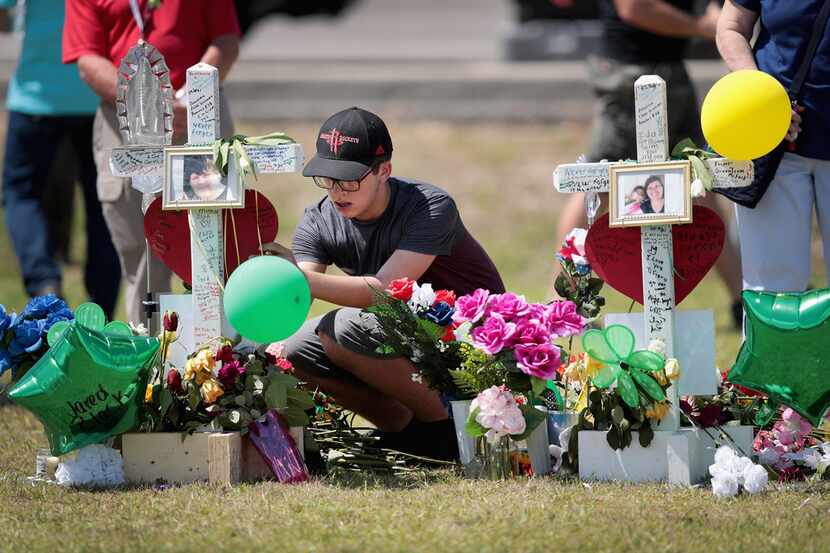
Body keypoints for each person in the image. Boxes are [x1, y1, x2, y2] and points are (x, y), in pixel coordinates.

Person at [276, 107, 505, 460]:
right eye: (328, 179)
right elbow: (298, 295)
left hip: (471, 340)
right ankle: (403, 429)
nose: (337, 192)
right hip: (404, 338)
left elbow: (383, 290)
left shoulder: (430, 206)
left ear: (384, 171)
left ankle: (444, 430)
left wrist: (295, 278)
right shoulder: (319, 219)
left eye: (350, 180)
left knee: (342, 327)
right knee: (295, 348)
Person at [554, 0, 745, 327]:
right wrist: (700, 25)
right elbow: (635, 7)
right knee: (599, 186)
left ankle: (742, 300)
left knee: (699, 181)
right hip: (631, 74)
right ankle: (563, 303)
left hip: (666, 70)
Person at [62, 0, 241, 326]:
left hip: (196, 116)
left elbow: (225, 40)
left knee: (215, 248)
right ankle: (151, 358)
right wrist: (146, 103)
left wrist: (190, 98)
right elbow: (88, 59)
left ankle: (221, 360)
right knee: (143, 258)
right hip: (125, 123)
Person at [1, 0, 120, 317]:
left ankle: (44, 284)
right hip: (98, 91)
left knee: (20, 195)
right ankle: (102, 309)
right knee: (105, 204)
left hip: (37, 96)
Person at [717, 1, 829, 293]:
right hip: (773, 145)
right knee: (770, 288)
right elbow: (731, 27)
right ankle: (768, 341)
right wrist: (762, 97)